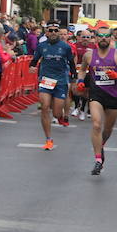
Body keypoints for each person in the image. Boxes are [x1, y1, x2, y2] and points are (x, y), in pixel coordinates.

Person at [84, 29, 117, 175]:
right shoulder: (89, 55)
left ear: (111, 38)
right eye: (100, 36)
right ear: (96, 38)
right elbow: (82, 70)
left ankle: (101, 144)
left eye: (106, 36)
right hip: (96, 94)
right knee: (96, 124)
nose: (103, 39)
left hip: (113, 95)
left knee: (107, 129)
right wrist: (79, 80)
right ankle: (98, 160)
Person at [31, 22, 75, 150]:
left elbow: (71, 63)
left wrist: (74, 78)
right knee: (44, 107)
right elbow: (35, 60)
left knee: (56, 113)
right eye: (51, 30)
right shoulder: (41, 46)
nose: (54, 33)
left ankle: (60, 116)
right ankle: (48, 139)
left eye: (56, 30)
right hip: (46, 80)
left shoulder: (65, 47)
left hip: (60, 81)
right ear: (47, 32)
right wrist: (32, 67)